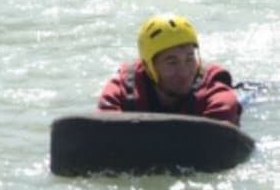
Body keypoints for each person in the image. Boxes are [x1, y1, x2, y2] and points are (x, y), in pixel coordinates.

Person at [97, 14, 242, 125]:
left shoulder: (217, 96)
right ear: (149, 67)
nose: (184, 72)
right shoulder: (122, 92)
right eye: (172, 62)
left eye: (189, 59)